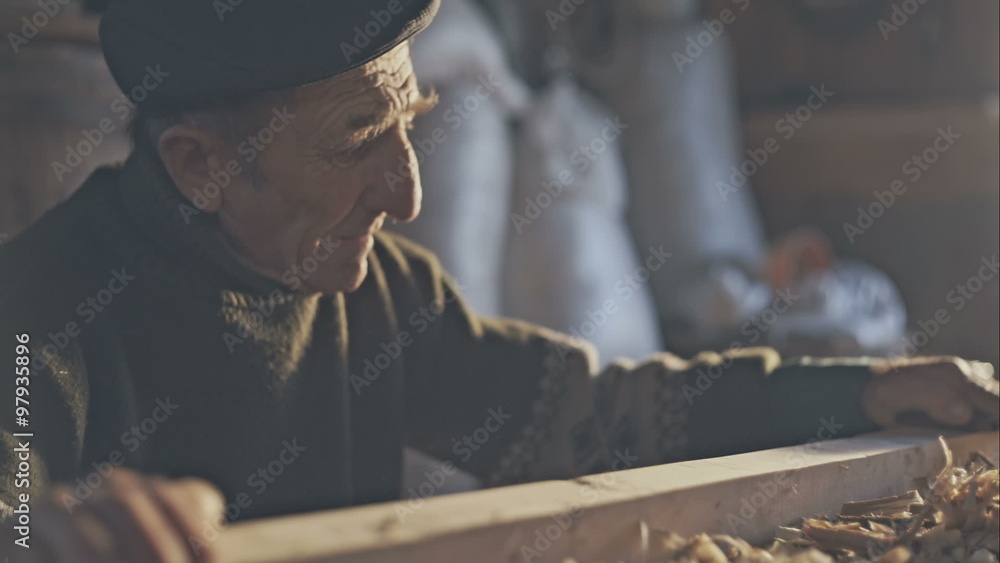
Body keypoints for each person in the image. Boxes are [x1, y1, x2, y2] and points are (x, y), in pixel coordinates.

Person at [1, 1, 996, 561]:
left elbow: (591, 413)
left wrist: (854, 392)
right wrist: (44, 527)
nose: (407, 189)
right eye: (356, 139)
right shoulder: (39, 308)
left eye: (409, 120)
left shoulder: (382, 291)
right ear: (199, 165)